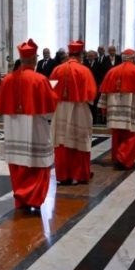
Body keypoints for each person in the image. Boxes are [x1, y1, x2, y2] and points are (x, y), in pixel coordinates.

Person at [0, 39, 58, 211]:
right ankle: (32, 198)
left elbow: (1, 105)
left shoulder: (7, 80)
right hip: (35, 128)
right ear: (33, 59)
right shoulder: (40, 79)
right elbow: (48, 112)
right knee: (38, 164)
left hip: (12, 129)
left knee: (18, 164)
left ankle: (21, 198)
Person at [50, 40, 97, 184]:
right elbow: (91, 94)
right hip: (79, 109)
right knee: (79, 141)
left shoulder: (57, 69)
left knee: (62, 142)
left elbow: (50, 89)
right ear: (80, 55)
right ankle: (79, 175)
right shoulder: (84, 70)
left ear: (69, 53)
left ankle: (63, 176)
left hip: (60, 110)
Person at [98, 49, 135, 169]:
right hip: (130, 109)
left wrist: (104, 108)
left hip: (114, 110)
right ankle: (124, 160)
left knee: (117, 135)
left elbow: (104, 92)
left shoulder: (112, 71)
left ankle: (117, 157)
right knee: (131, 134)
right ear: (133, 58)